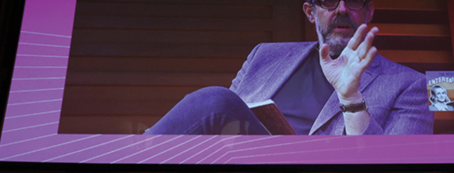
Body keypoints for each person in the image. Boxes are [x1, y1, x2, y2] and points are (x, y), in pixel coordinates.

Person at [144, 0, 433, 136]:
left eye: (354, 1)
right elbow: (219, 126)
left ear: (369, 11)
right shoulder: (264, 56)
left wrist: (351, 98)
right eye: (329, 1)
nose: (342, 8)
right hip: (244, 172)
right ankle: (136, 158)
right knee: (218, 103)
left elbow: (396, 165)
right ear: (310, 12)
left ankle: (133, 154)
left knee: (215, 101)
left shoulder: (410, 85)